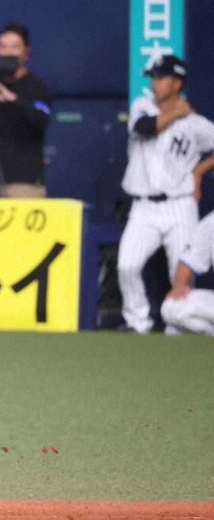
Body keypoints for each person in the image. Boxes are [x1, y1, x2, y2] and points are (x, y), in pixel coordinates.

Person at [118, 55, 214, 334]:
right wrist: (176, 113)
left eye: (161, 77)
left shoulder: (196, 124)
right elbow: (143, 128)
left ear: (177, 83)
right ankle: (138, 324)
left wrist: (200, 171)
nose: (155, 82)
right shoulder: (142, 106)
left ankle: (178, 328)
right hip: (143, 206)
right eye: (154, 76)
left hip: (180, 205)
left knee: (180, 276)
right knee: (127, 265)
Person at [0, 23, 52, 198]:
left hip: (23, 184)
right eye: (3, 46)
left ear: (26, 52)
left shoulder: (37, 87)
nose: (8, 52)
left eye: (15, 47)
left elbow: (41, 120)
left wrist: (14, 100)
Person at [161, 207, 214, 336]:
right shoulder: (211, 222)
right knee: (172, 306)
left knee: (174, 331)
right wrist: (179, 286)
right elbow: (190, 258)